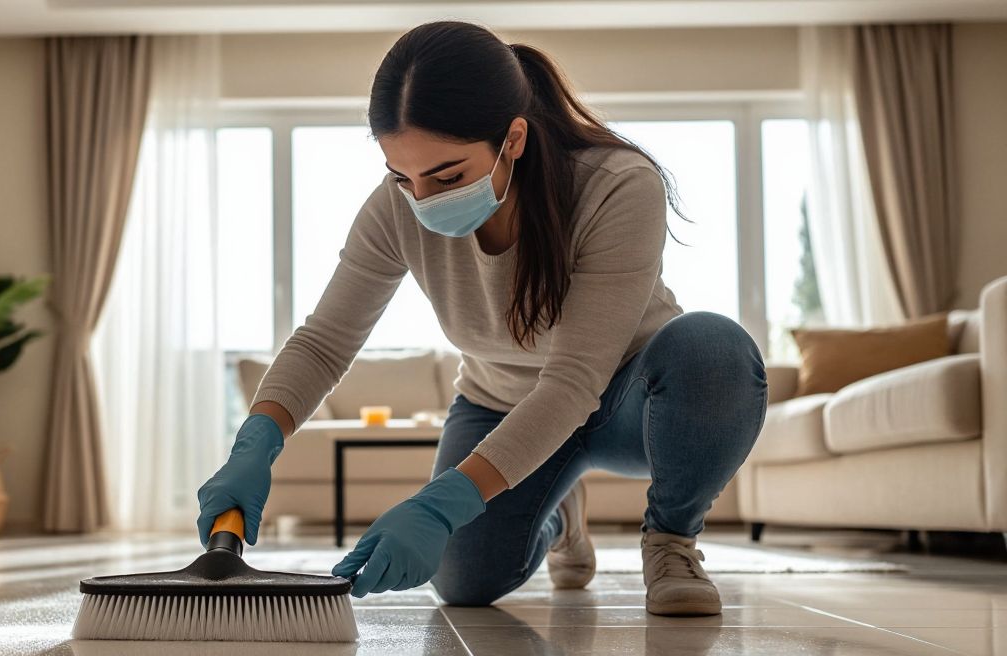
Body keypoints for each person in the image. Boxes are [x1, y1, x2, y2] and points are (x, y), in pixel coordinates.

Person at [195, 20, 767, 616]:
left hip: (629, 404)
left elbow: (574, 384)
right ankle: (562, 517)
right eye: (403, 177)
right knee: (465, 581)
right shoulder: (395, 210)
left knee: (714, 347)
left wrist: (443, 502)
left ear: (512, 139)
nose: (422, 199)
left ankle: (672, 540)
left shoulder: (616, 186)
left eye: (448, 176)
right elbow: (324, 344)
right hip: (500, 405)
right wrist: (255, 443)